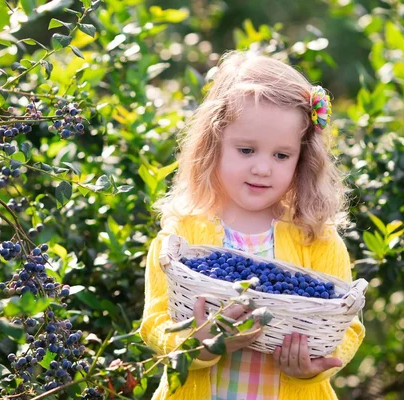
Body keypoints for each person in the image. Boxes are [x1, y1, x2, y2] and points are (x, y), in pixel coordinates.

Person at [140, 49, 365, 400]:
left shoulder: (316, 238)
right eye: (246, 150)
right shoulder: (183, 235)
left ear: (301, 158)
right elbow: (156, 324)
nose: (263, 168)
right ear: (213, 146)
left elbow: (345, 325)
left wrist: (311, 368)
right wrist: (200, 347)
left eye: (281, 155)